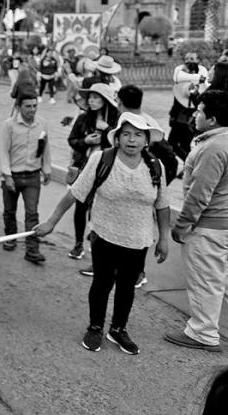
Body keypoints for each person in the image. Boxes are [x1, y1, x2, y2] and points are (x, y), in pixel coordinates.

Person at [35, 112, 169, 356]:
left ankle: (118, 329)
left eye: (138, 135)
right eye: (126, 134)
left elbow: (162, 204)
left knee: (127, 287)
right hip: (105, 234)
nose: (131, 139)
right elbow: (75, 193)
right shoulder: (102, 159)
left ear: (146, 140)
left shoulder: (155, 166)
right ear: (117, 138)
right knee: (102, 283)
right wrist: (51, 221)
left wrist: (164, 238)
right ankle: (95, 326)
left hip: (139, 240)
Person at [166, 90, 228, 353]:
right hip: (221, 224)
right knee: (215, 278)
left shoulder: (213, 147)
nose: (195, 115)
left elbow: (199, 194)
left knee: (206, 279)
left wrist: (181, 225)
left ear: (212, 119)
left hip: (209, 226)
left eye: (200, 111)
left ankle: (203, 333)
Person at [67, 83, 119, 263]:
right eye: (90, 97)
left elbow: (118, 146)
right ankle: (78, 243)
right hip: (83, 168)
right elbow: (72, 140)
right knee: (80, 206)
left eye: (96, 97)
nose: (92, 100)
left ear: (105, 101)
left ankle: (95, 249)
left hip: (104, 171)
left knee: (97, 210)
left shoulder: (114, 122)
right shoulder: (82, 118)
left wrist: (105, 131)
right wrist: (85, 141)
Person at [0, 90, 51, 263]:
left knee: (32, 213)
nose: (32, 110)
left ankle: (32, 249)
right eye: (28, 106)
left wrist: (47, 168)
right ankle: (10, 237)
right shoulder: (9, 125)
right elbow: (3, 151)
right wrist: (7, 175)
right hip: (12, 176)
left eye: (35, 106)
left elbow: (45, 147)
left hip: (33, 177)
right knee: (9, 211)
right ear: (19, 107)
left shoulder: (42, 124)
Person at [169, 51, 208, 164]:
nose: (188, 61)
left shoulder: (202, 76)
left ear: (197, 61)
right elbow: (177, 98)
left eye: (191, 58)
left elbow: (200, 101)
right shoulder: (181, 73)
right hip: (179, 115)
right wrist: (172, 116)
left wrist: (194, 93)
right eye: (187, 59)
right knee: (175, 143)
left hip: (192, 115)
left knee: (181, 143)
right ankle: (190, 166)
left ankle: (189, 166)